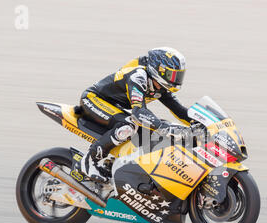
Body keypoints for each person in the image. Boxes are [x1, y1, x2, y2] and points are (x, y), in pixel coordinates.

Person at [78, 47, 192, 182]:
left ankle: (121, 166)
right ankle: (89, 161)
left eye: (178, 75)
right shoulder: (138, 76)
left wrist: (204, 124)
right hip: (93, 99)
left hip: (115, 107)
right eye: (172, 75)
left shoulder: (161, 86)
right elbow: (138, 111)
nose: (176, 79)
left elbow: (179, 110)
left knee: (156, 128)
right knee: (129, 125)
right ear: (159, 70)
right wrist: (163, 127)